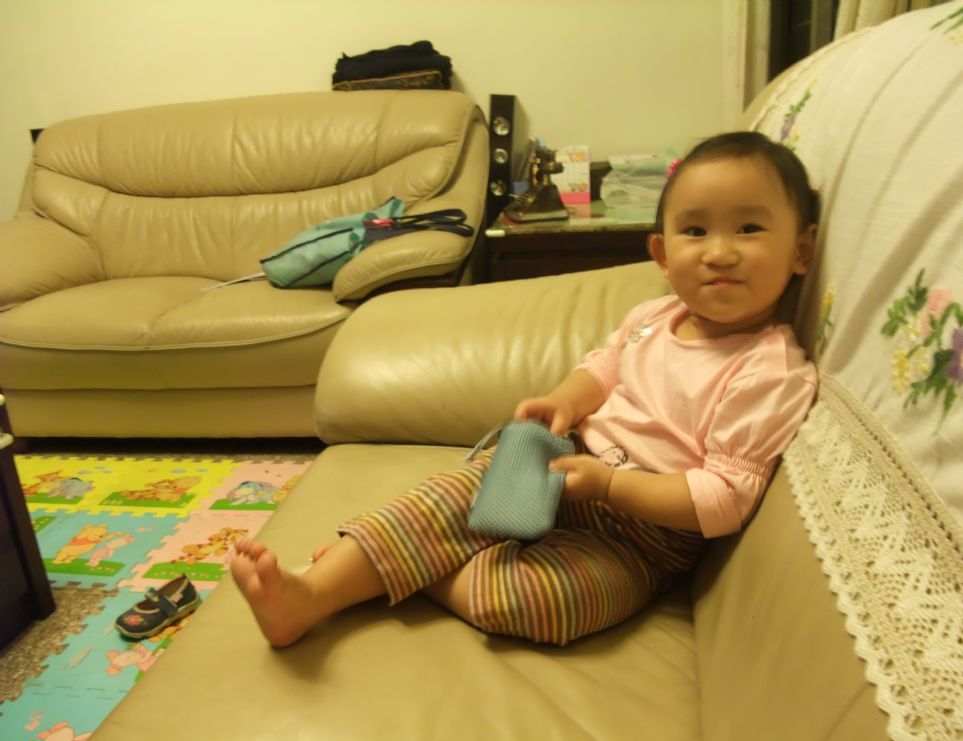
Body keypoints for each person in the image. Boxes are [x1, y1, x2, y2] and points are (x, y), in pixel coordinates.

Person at [231, 131, 820, 648]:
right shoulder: (652, 316)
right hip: (562, 464)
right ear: (663, 256)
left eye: (749, 228)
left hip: (643, 538)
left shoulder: (769, 371)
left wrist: (613, 486)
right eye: (695, 231)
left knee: (545, 605)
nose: (719, 252)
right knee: (449, 495)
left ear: (800, 251)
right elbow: (603, 369)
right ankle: (311, 595)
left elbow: (724, 499)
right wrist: (565, 399)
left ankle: (403, 566)